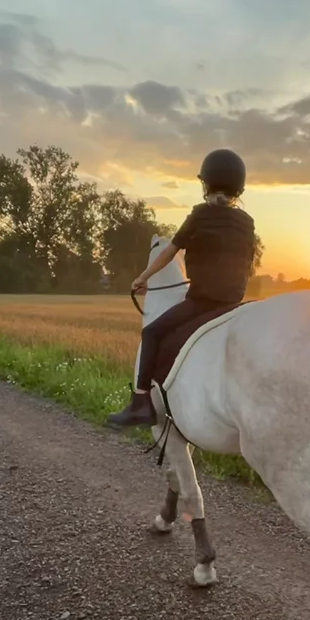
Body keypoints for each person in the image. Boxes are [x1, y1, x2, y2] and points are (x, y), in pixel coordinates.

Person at [106, 148, 256, 428]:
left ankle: (141, 404)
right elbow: (246, 262)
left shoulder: (199, 216)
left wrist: (143, 277)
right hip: (235, 301)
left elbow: (169, 251)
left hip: (204, 301)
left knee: (151, 333)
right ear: (239, 188)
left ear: (206, 184)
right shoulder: (247, 223)